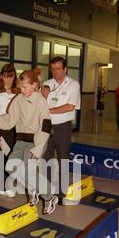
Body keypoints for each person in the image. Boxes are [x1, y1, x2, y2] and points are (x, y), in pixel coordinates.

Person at [0, 69, 58, 215]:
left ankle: (50, 196)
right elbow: (9, 120)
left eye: (25, 87)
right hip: (20, 140)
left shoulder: (40, 101)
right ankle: (34, 189)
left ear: (34, 85)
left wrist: (37, 149)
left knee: (29, 172)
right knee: (11, 167)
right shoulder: (18, 100)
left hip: (34, 142)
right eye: (21, 87)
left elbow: (46, 126)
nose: (22, 91)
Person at [42, 56, 80, 202]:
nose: (55, 72)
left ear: (65, 69)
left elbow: (69, 106)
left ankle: (62, 191)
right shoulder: (47, 84)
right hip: (46, 126)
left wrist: (49, 110)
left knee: (63, 158)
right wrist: (42, 95)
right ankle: (47, 191)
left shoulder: (73, 85)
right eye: (52, 69)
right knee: (46, 159)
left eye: (58, 69)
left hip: (63, 127)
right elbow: (40, 105)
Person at [0, 63, 18, 206]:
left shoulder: (17, 92)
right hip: (0, 129)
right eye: (6, 77)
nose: (8, 80)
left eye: (11, 76)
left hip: (14, 130)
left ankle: (6, 186)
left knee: (10, 161)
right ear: (1, 77)